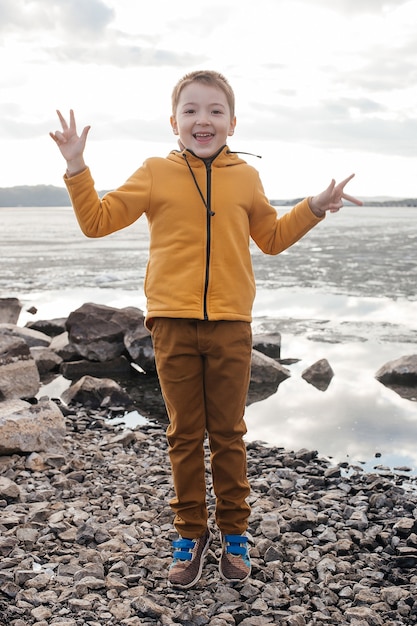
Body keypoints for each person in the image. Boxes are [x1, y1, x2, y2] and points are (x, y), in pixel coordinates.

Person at [50, 70, 362, 589]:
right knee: (183, 435)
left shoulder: (246, 178)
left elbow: (272, 237)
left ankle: (235, 534)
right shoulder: (154, 171)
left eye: (215, 111)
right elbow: (97, 222)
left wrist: (313, 207)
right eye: (191, 110)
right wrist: (77, 166)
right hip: (170, 326)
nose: (203, 120)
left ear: (233, 123)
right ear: (173, 122)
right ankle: (190, 533)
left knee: (230, 434)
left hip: (230, 327)